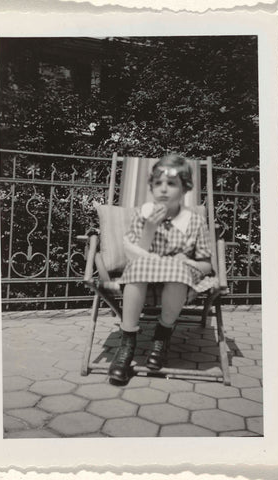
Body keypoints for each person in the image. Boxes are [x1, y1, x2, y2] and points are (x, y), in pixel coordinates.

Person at [108, 153, 218, 382]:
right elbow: (135, 253)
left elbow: (207, 264)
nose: (164, 189)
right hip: (146, 269)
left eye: (171, 184)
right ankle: (127, 343)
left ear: (185, 189)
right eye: (158, 184)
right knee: (137, 267)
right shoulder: (143, 214)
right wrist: (150, 227)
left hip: (180, 273)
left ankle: (162, 335)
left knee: (177, 272)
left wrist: (187, 262)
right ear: (151, 188)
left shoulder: (195, 221)